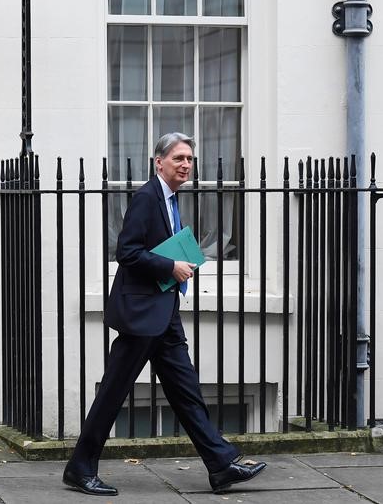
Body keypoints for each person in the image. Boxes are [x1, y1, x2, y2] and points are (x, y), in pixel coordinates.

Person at [62, 132, 266, 496]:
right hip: (142, 316)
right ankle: (80, 468)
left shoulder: (171, 199)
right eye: (178, 159)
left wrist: (175, 266)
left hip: (163, 311)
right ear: (159, 162)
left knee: (187, 392)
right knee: (113, 393)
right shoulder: (146, 198)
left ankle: (220, 466)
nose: (186, 165)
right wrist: (170, 266)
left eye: (189, 159)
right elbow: (127, 252)